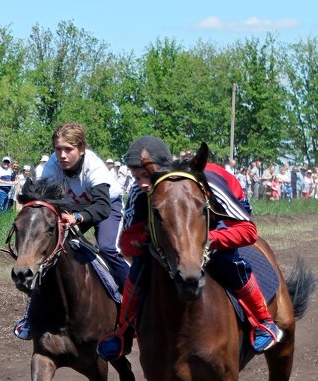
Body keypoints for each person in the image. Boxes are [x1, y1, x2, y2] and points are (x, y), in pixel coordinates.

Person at [96, 135, 283, 361]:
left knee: (226, 259)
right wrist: (157, 238)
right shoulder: (139, 193)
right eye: (136, 178)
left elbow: (248, 231)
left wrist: (206, 239)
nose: (142, 184)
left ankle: (263, 321)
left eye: (146, 176)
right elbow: (126, 245)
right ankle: (124, 331)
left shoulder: (208, 181)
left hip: (222, 212)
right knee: (140, 269)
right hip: (173, 225)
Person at [14, 122, 126, 341]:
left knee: (107, 248)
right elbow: (45, 202)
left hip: (106, 206)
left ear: (82, 148)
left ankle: (133, 304)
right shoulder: (52, 167)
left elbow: (102, 207)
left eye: (69, 149)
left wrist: (77, 218)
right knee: (53, 252)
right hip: (72, 209)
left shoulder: (94, 167)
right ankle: (31, 315)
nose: (62, 155)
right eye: (58, 149)